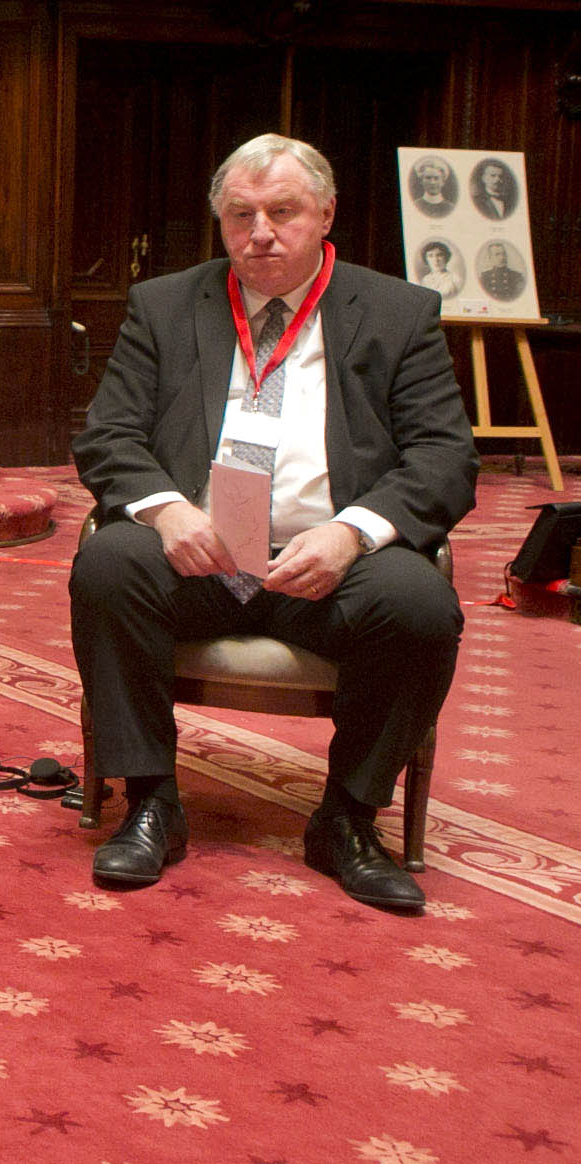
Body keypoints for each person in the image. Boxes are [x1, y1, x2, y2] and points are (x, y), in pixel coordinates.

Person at [68, 134, 475, 910]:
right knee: (109, 564)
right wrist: (167, 512)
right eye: (239, 215)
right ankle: (150, 800)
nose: (259, 233)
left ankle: (346, 818)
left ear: (324, 213)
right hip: (204, 551)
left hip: (329, 557)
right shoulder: (164, 304)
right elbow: (107, 435)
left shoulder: (396, 312)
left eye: (281, 212)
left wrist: (351, 531)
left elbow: (443, 456)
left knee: (419, 606)